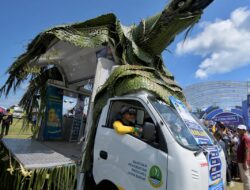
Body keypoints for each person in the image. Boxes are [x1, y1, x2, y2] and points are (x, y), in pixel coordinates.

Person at [237, 124, 250, 190]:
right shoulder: (240, 137)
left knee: (246, 178)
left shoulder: (245, 138)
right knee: (245, 178)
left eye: (239, 129)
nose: (237, 130)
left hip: (243, 161)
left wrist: (245, 162)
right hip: (241, 160)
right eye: (238, 129)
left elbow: (247, 150)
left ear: (243, 130)